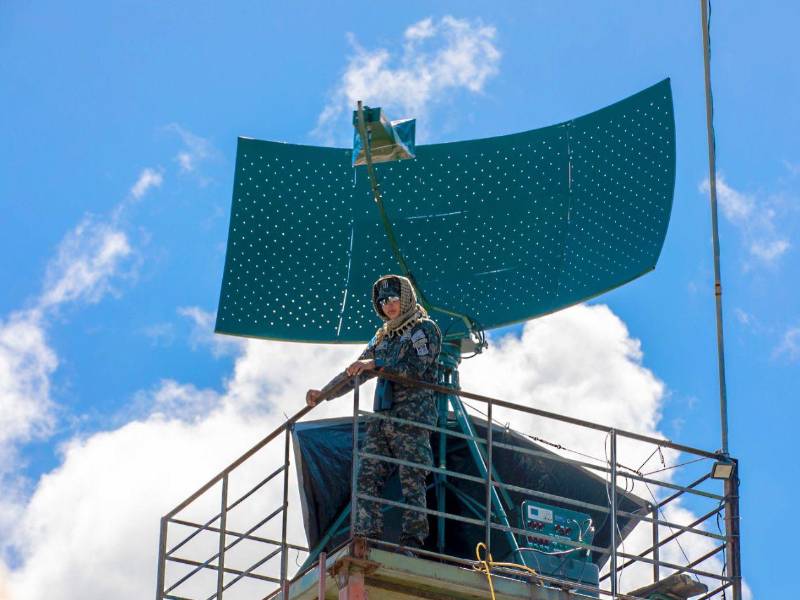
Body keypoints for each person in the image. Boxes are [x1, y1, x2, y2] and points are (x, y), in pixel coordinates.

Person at [306, 274, 441, 550]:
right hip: (383, 418)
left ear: (405, 299)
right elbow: (356, 370)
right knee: (366, 476)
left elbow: (415, 368)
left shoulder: (423, 329)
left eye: (393, 299)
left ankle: (412, 541)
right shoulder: (384, 336)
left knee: (412, 478)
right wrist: (324, 394)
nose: (389, 306)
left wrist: (375, 364)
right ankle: (366, 537)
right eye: (383, 301)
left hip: (411, 419)